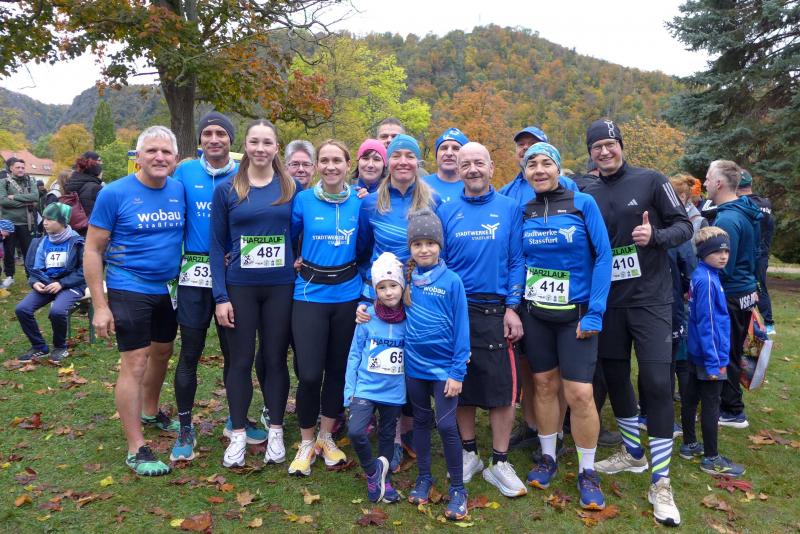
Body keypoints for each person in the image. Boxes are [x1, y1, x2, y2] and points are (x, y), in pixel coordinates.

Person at [584, 118, 693, 527]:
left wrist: (656, 237)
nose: (605, 151)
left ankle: (661, 481)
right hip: (608, 301)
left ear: (621, 145)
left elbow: (685, 226)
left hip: (651, 300)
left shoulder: (652, 180)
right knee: (614, 376)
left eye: (610, 144)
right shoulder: (586, 191)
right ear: (590, 153)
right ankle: (632, 452)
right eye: (597, 147)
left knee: (657, 382)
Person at [85, 125, 185, 476]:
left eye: (166, 152)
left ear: (175, 158)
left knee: (163, 352)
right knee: (135, 362)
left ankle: (150, 411)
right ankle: (135, 447)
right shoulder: (114, 193)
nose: (159, 157)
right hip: (129, 285)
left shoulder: (178, 190)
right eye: (151, 151)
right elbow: (93, 249)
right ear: (138, 156)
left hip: (168, 287)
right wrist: (100, 305)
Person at [518, 142, 612, 510]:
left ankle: (588, 471)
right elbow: (519, 260)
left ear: (558, 168)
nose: (539, 170)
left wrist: (596, 311)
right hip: (537, 313)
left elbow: (603, 256)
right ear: (525, 172)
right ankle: (548, 456)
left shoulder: (582, 203)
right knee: (543, 385)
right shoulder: (524, 210)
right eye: (532, 165)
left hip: (576, 314)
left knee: (579, 394)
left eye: (546, 163)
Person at [170, 112, 268, 463]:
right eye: (208, 133)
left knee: (235, 354)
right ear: (200, 139)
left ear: (231, 140)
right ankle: (185, 428)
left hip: (232, 276)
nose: (214, 139)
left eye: (221, 134)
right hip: (194, 274)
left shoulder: (244, 172)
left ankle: (235, 419)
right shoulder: (184, 172)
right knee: (190, 352)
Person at [437, 142, 527, 497]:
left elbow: (517, 260)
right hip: (457, 310)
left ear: (491, 167)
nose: (472, 169)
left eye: (478, 163)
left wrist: (512, 306)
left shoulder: (509, 208)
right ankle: (469, 453)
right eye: (465, 164)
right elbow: (440, 262)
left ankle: (500, 461)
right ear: (458, 170)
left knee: (502, 390)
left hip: (496, 310)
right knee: (461, 384)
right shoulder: (446, 210)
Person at [210, 119, 297, 468]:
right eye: (254, 142)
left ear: (276, 147)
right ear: (245, 146)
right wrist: (220, 296)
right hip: (240, 288)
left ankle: (275, 430)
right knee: (240, 360)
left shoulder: (290, 187)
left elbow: (302, 230)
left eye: (267, 142)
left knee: (275, 359)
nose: (261, 148)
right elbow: (216, 246)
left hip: (280, 287)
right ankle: (238, 433)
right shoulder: (227, 189)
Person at [357, 134, 440, 467]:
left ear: (418, 162)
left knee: (413, 363)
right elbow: (362, 250)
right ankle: (389, 436)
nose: (403, 161)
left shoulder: (432, 200)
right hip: (381, 296)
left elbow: (440, 249)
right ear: (388, 161)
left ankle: (410, 428)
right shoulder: (371, 202)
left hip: (418, 296)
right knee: (385, 363)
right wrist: (368, 290)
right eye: (396, 155)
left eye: (410, 155)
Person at [498, 126, 577, 453]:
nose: (526, 149)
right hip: (526, 289)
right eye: (521, 145)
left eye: (533, 145)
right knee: (530, 365)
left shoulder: (570, 188)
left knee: (559, 369)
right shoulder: (507, 191)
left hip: (566, 292)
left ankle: (557, 431)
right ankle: (532, 425)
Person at [288, 140, 362, 476]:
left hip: (347, 294)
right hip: (309, 293)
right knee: (309, 373)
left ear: (347, 165)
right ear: (317, 165)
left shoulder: (360, 200)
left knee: (337, 370)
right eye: (325, 160)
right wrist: (294, 260)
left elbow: (365, 243)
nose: (331, 166)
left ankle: (326, 437)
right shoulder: (303, 199)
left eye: (337, 160)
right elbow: (289, 235)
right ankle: (306, 442)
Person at [402, 209, 470, 521]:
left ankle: (458, 488)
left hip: (445, 371)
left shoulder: (452, 281)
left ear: (440, 246)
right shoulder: (406, 279)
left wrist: (457, 372)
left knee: (445, 425)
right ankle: (424, 477)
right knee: (420, 421)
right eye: (417, 244)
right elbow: (384, 302)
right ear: (411, 248)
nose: (424, 249)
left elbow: (462, 330)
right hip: (414, 368)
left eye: (430, 243)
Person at [680, 226, 745, 477]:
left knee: (690, 398)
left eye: (726, 251)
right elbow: (707, 323)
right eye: (717, 251)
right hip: (710, 356)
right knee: (710, 404)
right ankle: (711, 458)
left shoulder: (705, 275)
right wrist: (713, 362)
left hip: (698, 352)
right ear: (704, 252)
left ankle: (689, 444)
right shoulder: (707, 281)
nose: (723, 256)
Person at [345, 252, 407, 503]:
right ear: (375, 290)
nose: (389, 292)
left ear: (402, 287)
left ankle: (385, 481)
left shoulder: (410, 319)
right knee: (355, 432)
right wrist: (349, 391)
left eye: (393, 286)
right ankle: (373, 471)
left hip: (394, 392)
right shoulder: (366, 316)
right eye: (382, 287)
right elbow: (354, 354)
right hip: (365, 389)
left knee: (387, 436)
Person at [704, 160, 762, 430]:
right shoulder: (743, 210)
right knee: (733, 349)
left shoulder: (728, 218)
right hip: (745, 290)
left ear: (718, 183)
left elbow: (724, 265)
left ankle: (731, 409)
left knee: (725, 351)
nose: (704, 183)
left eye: (707, 178)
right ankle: (730, 405)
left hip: (732, 294)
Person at [14, 203, 85, 363]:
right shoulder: (41, 242)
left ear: (63, 221)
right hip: (47, 283)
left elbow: (84, 271)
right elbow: (35, 268)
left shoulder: (78, 242)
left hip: (72, 285)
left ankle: (60, 347)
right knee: (22, 309)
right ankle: (39, 347)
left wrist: (62, 283)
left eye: (50, 219)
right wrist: (35, 282)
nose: (45, 222)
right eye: (44, 218)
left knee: (57, 312)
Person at [737, 170, 775, 335]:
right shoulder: (765, 203)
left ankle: (765, 324)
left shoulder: (742, 204)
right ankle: (767, 323)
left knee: (751, 287)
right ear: (751, 184)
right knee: (760, 287)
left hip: (750, 253)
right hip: (762, 253)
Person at [0, 157, 40, 287]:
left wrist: (15, 197)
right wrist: (26, 203)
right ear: (11, 168)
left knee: (28, 251)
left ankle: (30, 276)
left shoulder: (30, 181)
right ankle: (9, 276)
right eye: (18, 167)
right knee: (9, 252)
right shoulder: (3, 182)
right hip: (8, 223)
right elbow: (3, 201)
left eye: (23, 167)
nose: (21, 169)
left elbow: (35, 197)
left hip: (26, 222)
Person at [422, 128, 469, 203]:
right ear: (436, 155)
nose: (449, 153)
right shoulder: (421, 185)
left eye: (456, 148)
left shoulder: (473, 187)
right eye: (444, 148)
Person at [65, 151, 104, 223]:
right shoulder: (95, 188)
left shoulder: (71, 182)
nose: (102, 163)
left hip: (73, 225)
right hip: (89, 227)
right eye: (99, 160)